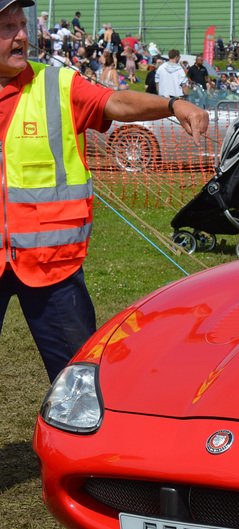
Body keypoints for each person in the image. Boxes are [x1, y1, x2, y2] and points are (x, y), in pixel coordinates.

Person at [0, 0, 209, 382]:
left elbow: (116, 102)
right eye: (6, 27)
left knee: (80, 382)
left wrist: (172, 104)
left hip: (53, 268)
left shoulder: (56, 84)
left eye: (21, 24)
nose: (21, 36)